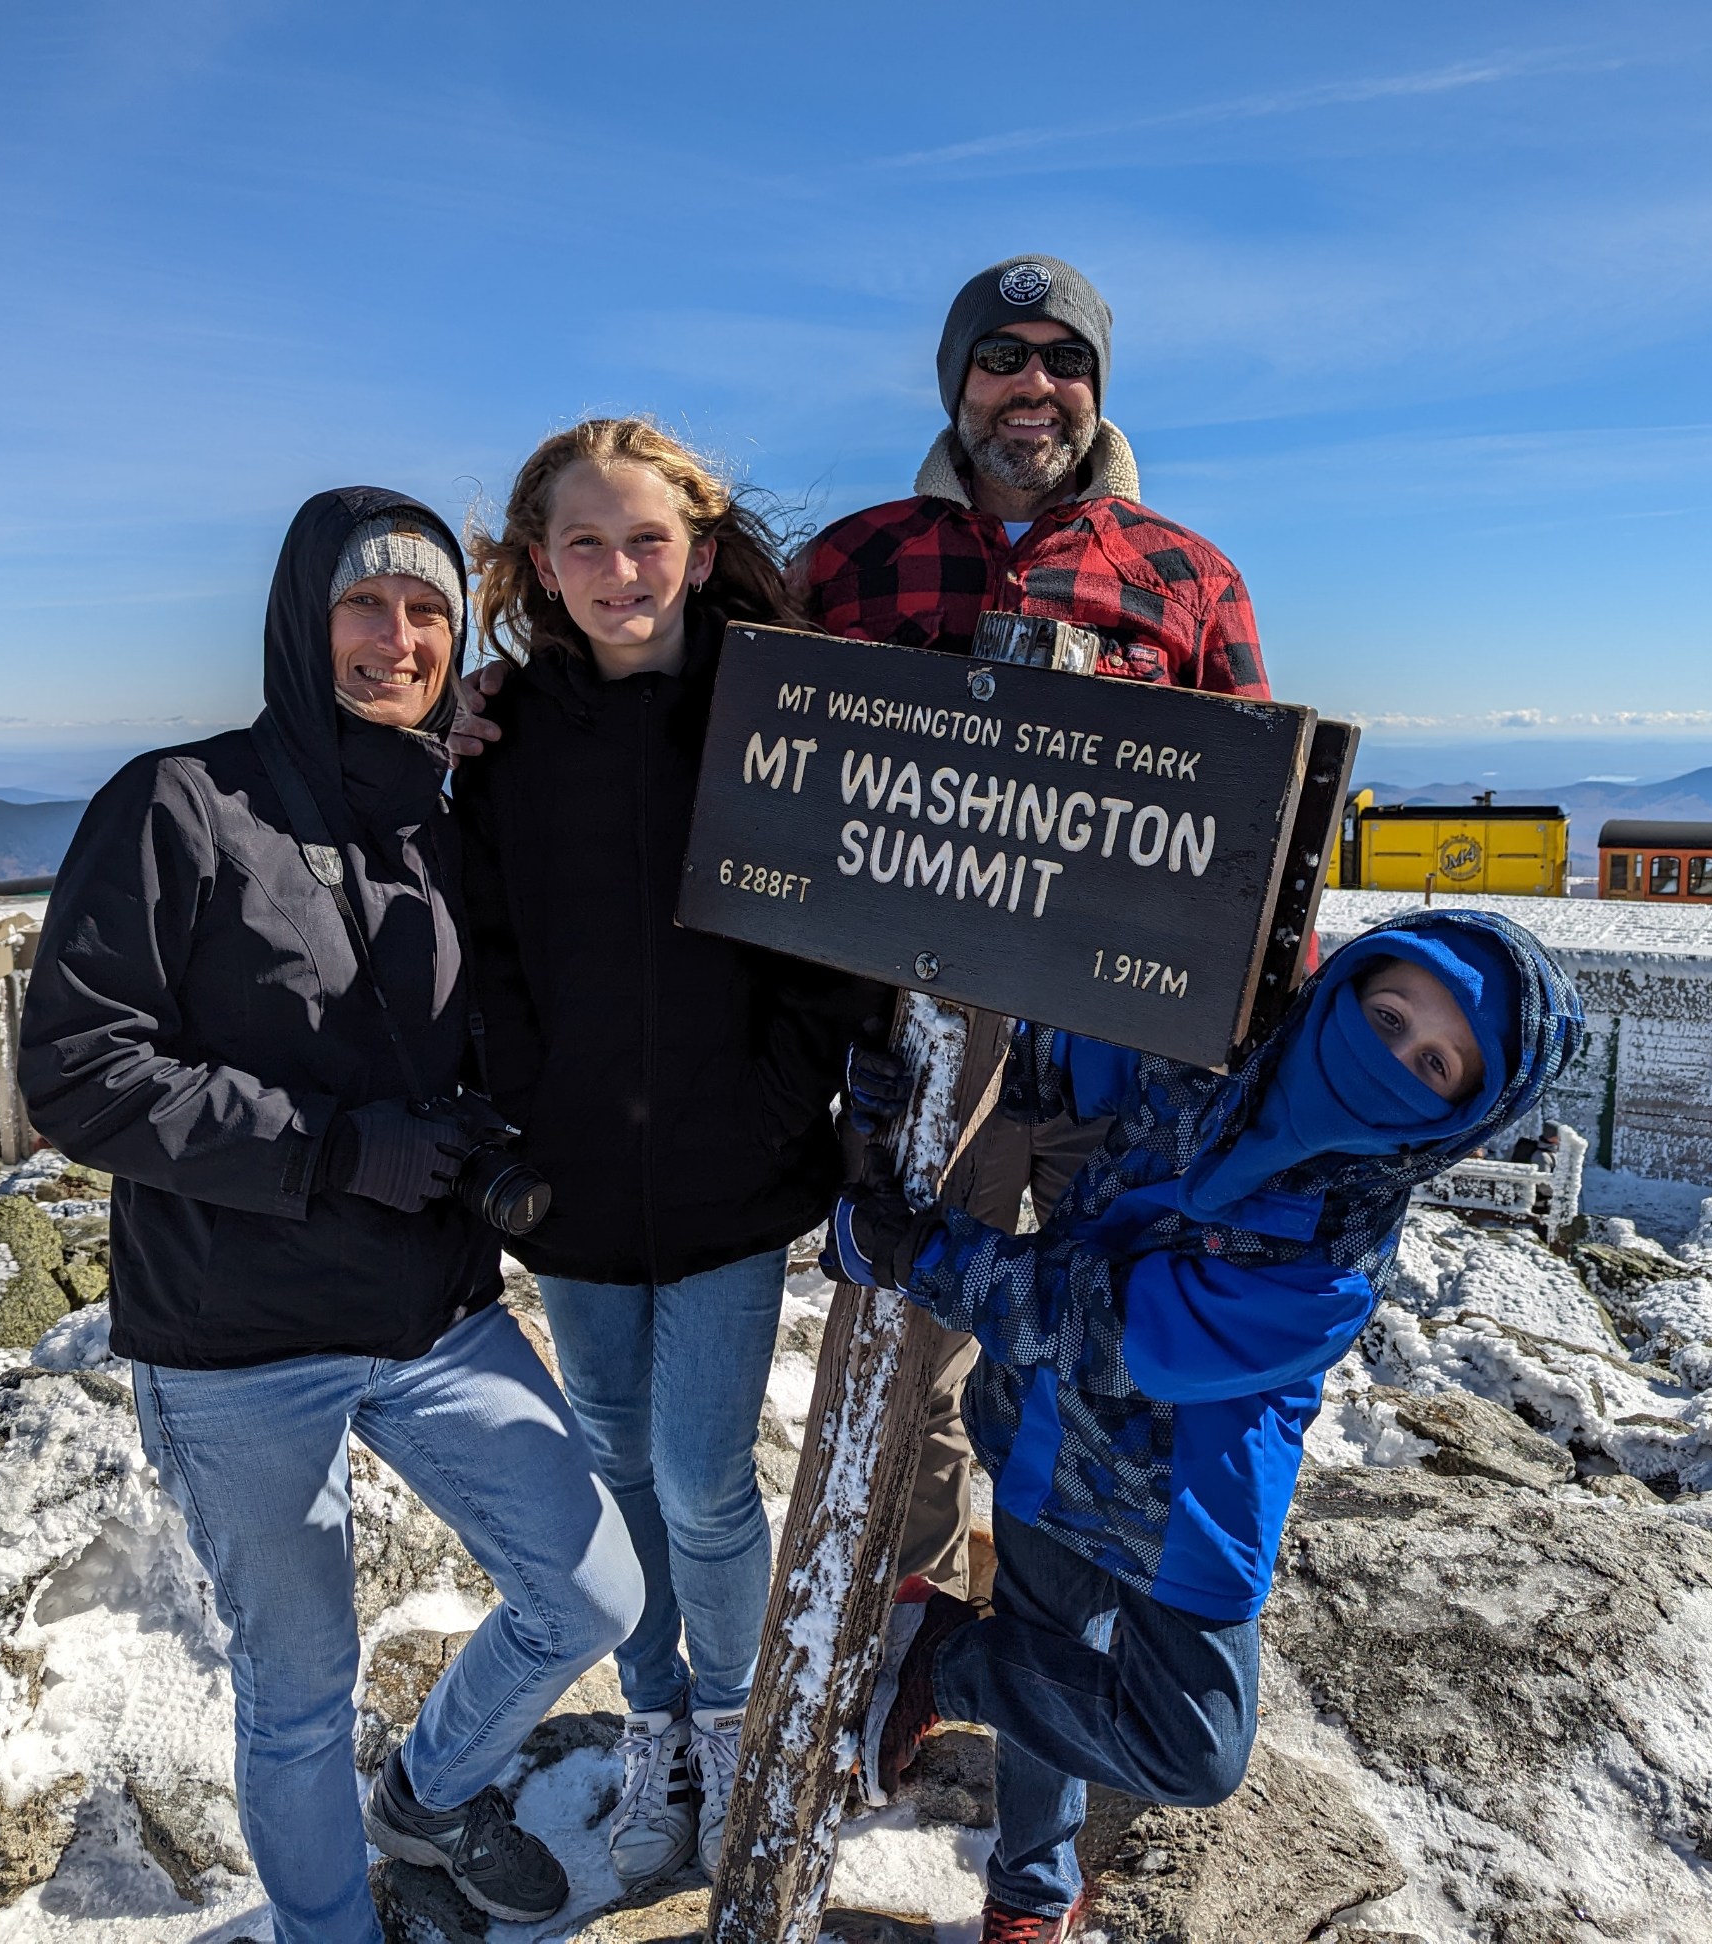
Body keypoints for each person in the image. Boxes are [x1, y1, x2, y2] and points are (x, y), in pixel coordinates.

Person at [19, 489, 643, 1941]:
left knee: (591, 1594)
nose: (398, 637)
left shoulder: (451, 816)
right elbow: (79, 1071)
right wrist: (333, 1149)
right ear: (305, 625)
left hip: (429, 1313)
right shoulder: (180, 803)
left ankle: (424, 1804)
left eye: (429, 613)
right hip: (233, 1343)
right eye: (366, 606)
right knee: (298, 1698)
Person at [819, 909, 1581, 1942]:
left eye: (1434, 1061)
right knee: (1051, 1670)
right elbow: (1052, 1059)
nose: (1387, 1055)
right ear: (1344, 983)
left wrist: (919, 1257)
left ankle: (945, 1655)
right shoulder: (1198, 1053)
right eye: (1387, 1011)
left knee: (1190, 1751)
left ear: (1458, 1115)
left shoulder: (1333, 1260)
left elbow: (1108, 1327)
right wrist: (910, 1080)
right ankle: (1029, 1895)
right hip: (1048, 1439)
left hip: (1185, 1512)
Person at [794, 252, 1274, 1600]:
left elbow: (1243, 826)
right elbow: (741, 758)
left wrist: (1245, 1039)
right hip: (921, 1035)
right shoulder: (852, 561)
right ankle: (914, 1618)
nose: (1033, 386)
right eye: (1002, 356)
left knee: (1096, 1340)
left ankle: (1071, 1626)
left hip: (1116, 1044)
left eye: (1064, 360)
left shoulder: (1184, 573)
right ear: (956, 380)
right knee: (912, 1343)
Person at [458, 420, 881, 1885]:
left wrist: (765, 1112)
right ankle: (656, 1730)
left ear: (698, 549)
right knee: (610, 1469)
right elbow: (488, 944)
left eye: (646, 539)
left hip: (728, 1180)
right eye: (584, 542)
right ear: (538, 564)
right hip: (572, 1185)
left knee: (703, 1478)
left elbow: (838, 953)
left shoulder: (776, 714)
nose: (619, 568)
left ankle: (737, 1710)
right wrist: (529, 1107)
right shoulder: (506, 740)